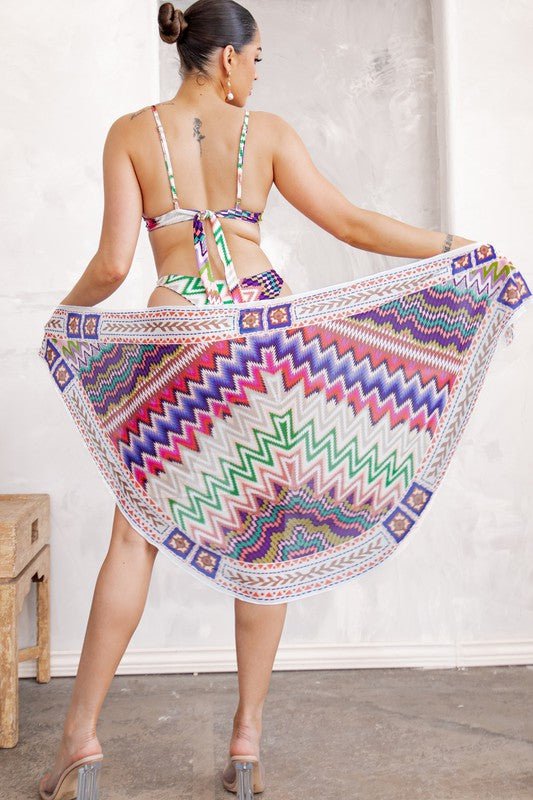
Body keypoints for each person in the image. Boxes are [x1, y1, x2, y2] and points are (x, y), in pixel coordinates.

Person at [38, 0, 475, 797]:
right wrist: (453, 248)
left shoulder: (129, 134)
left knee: (134, 536)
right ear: (227, 59)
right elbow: (351, 224)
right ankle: (246, 743)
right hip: (257, 325)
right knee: (266, 532)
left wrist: (63, 321)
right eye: (258, 58)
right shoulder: (264, 133)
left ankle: (81, 740)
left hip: (175, 328)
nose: (258, 73)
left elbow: (111, 266)